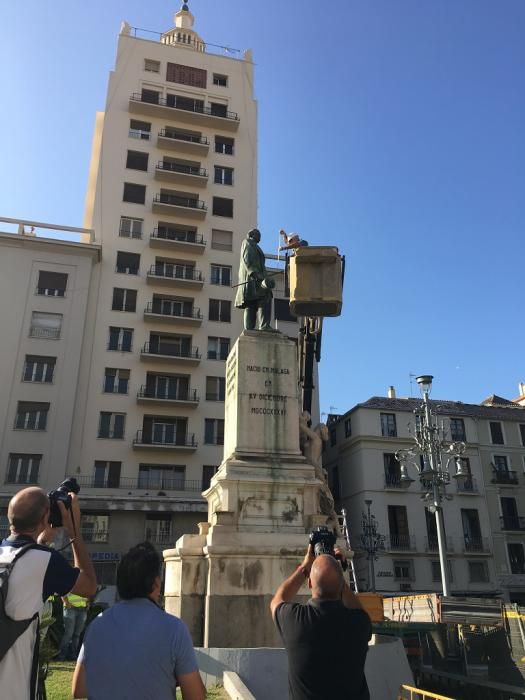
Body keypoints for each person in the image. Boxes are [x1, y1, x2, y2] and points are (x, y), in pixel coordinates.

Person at [73, 542, 205, 700]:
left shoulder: (97, 624)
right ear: (156, 583)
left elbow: (79, 689)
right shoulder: (174, 629)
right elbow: (195, 696)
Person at [0, 487, 97, 700]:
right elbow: (89, 586)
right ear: (45, 519)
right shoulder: (46, 561)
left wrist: (41, 540)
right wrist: (74, 532)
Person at [271, 544, 372, 700]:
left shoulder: (295, 621)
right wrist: (339, 575)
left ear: (310, 583)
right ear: (340, 586)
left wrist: (305, 567)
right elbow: (360, 611)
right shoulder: (359, 624)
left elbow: (277, 600)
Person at [234, 227, 274, 331]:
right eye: (258, 234)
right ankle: (258, 327)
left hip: (258, 277)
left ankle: (258, 327)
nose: (260, 237)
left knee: (257, 300)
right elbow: (248, 258)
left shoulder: (255, 245)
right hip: (254, 277)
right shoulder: (248, 242)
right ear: (252, 234)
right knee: (259, 299)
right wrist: (254, 273)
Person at [57, 593, 89, 661]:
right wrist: (66, 602)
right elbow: (63, 590)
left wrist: (88, 603)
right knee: (68, 634)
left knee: (76, 635)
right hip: (70, 608)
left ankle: (73, 656)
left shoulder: (85, 582)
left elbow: (89, 592)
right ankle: (61, 656)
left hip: (82, 609)